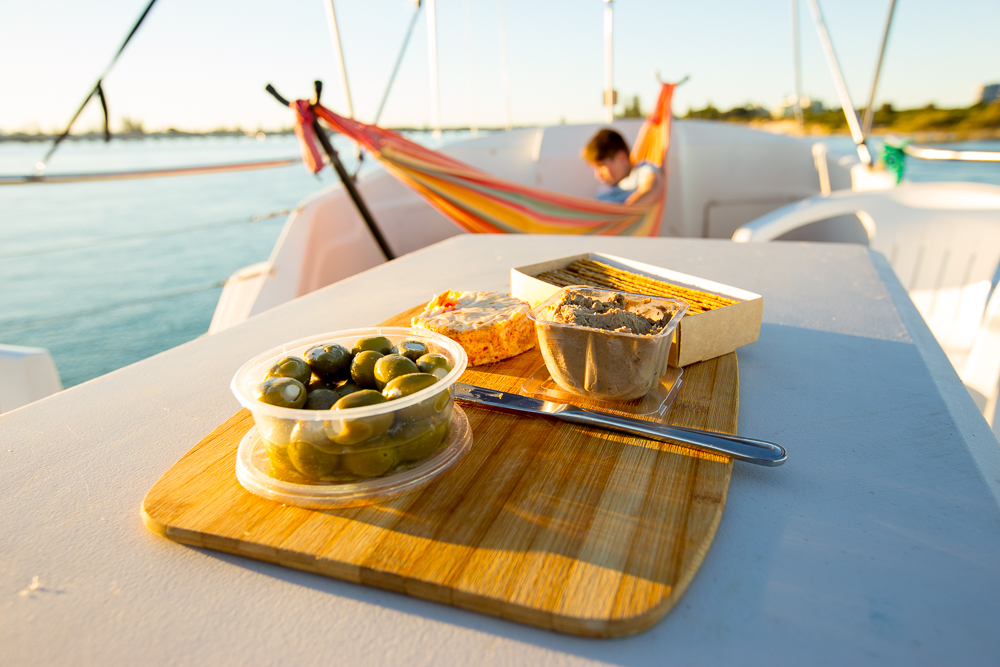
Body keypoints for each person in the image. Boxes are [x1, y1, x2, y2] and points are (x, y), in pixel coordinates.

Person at [582, 129, 663, 206]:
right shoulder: (606, 187)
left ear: (621, 158)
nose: (598, 175)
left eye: (601, 166)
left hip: (622, 217)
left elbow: (652, 189)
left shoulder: (641, 171)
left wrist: (623, 214)